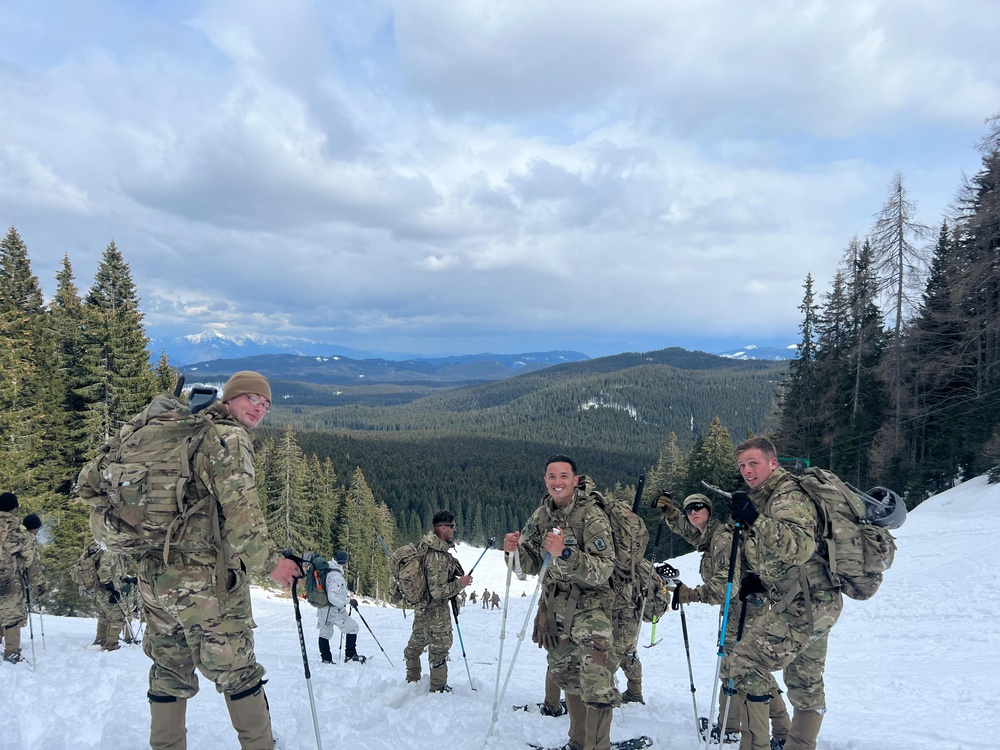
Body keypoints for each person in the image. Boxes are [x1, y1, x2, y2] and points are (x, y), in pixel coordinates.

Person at [133, 371, 300, 750]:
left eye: (266, 403)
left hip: (155, 577)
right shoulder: (229, 439)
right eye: (251, 399)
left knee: (169, 671)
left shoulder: (184, 430)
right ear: (230, 399)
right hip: (204, 583)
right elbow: (242, 515)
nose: (259, 408)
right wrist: (273, 563)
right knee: (238, 671)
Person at [722, 437, 843, 750]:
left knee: (744, 662)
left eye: (753, 463)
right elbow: (792, 556)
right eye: (742, 465)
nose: (747, 470)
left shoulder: (787, 496)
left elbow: (798, 549)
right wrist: (759, 580)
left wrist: (754, 519)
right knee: (805, 682)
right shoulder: (770, 496)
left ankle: (756, 745)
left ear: (772, 463)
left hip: (806, 605)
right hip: (814, 600)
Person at [504, 455, 619, 750]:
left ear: (575, 480)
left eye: (564, 476)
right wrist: (513, 552)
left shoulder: (591, 515)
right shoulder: (541, 515)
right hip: (555, 606)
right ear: (545, 480)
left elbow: (605, 567)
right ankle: (578, 743)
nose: (557, 482)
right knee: (566, 675)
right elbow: (529, 565)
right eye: (552, 476)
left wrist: (567, 555)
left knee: (596, 681)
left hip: (591, 605)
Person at [662, 493, 791, 748]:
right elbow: (689, 532)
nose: (693, 513)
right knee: (749, 668)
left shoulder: (721, 538)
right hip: (742, 607)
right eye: (689, 510)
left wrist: (689, 594)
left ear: (709, 510)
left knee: (740, 669)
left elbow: (725, 589)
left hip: (744, 610)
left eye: (698, 507)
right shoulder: (709, 534)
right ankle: (774, 728)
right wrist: (671, 513)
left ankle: (740, 729)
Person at [403, 510, 473, 692]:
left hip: (422, 609)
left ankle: (412, 681)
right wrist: (460, 583)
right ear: (442, 528)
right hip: (436, 613)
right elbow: (438, 592)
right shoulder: (438, 557)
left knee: (415, 644)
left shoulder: (424, 547)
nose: (454, 530)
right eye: (452, 526)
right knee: (439, 649)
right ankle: (438, 688)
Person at [0, 492, 43, 664]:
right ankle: (11, 652)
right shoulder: (16, 527)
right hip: (9, 578)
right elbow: (28, 556)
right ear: (14, 508)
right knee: (12, 616)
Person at [310, 550, 364, 664]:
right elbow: (332, 596)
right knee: (353, 628)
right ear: (344, 562)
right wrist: (349, 600)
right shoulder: (336, 577)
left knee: (324, 634)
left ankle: (326, 659)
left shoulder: (328, 571)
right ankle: (350, 655)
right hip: (335, 611)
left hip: (324, 609)